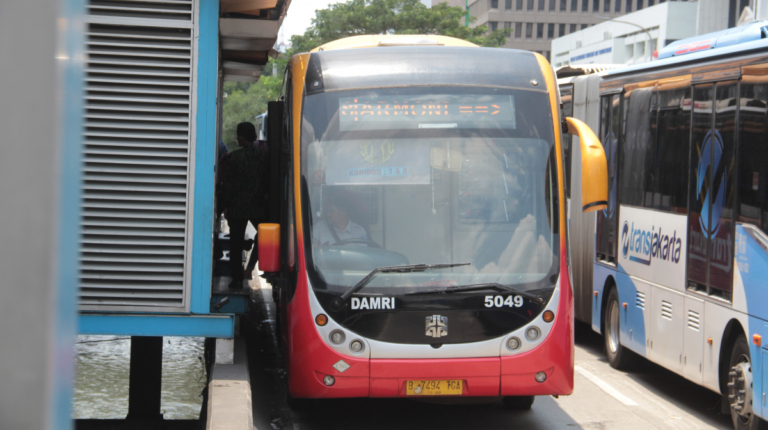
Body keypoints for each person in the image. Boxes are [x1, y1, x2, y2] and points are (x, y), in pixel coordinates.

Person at [220, 122, 268, 288]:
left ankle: (237, 279)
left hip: (237, 208)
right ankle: (259, 266)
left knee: (235, 244)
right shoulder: (264, 157)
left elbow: (228, 185)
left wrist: (226, 206)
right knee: (265, 235)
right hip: (258, 206)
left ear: (241, 137)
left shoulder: (233, 158)